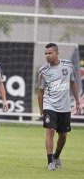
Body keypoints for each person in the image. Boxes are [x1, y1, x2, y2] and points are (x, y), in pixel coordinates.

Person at [37, 43, 81, 171]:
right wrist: (42, 110)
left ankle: (56, 156)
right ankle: (50, 161)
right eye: (45, 53)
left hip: (65, 107)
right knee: (50, 130)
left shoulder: (68, 66)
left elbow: (73, 83)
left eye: (50, 53)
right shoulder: (43, 71)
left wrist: (78, 102)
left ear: (57, 53)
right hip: (49, 105)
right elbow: (40, 92)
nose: (47, 56)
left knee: (63, 135)